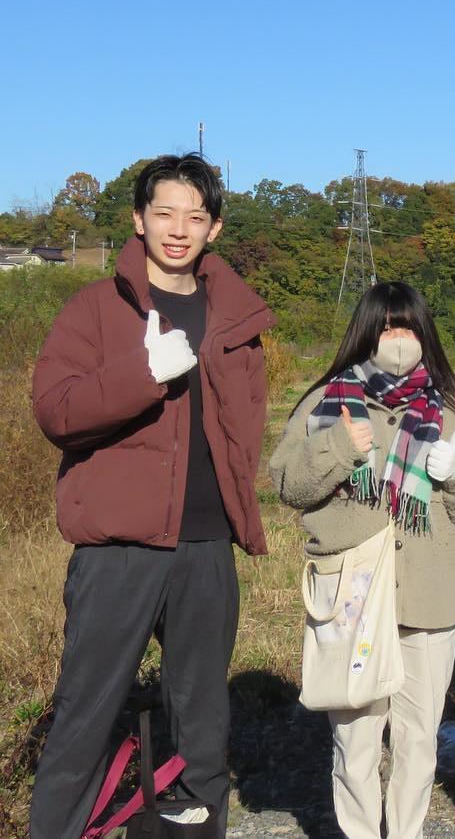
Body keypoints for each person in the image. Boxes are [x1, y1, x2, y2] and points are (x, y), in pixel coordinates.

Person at [30, 153, 275, 838]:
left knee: (203, 724)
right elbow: (55, 410)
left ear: (215, 227)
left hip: (206, 545)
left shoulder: (234, 316)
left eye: (195, 215)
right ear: (139, 219)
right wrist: (143, 373)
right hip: (119, 548)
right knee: (85, 713)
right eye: (164, 212)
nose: (178, 227)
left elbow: (242, 427)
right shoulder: (94, 308)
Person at [271, 281, 455, 839]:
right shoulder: (325, 401)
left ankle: (407, 831)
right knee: (355, 738)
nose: (399, 338)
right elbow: (288, 484)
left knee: (419, 737)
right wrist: (341, 447)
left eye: (409, 326)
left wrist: (452, 478)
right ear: (366, 332)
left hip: (429, 594)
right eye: (387, 326)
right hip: (351, 593)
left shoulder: (451, 412)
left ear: (425, 334)